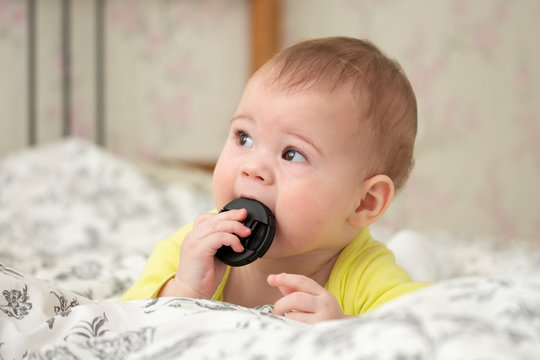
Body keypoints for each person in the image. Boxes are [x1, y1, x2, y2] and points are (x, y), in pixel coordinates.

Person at [122, 36, 429, 323]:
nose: (252, 167)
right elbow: (124, 320)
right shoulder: (194, 250)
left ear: (364, 202)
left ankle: (420, 253)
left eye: (292, 154)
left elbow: (423, 332)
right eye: (244, 137)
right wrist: (184, 290)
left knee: (420, 268)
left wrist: (345, 329)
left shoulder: (366, 275)